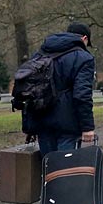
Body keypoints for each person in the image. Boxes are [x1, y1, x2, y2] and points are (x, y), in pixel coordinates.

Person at [23, 22, 96, 156]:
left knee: (48, 165)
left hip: (42, 120)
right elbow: (82, 95)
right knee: (65, 169)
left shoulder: (39, 54)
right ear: (84, 38)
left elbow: (28, 91)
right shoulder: (84, 58)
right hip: (67, 123)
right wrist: (87, 127)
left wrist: (29, 125)